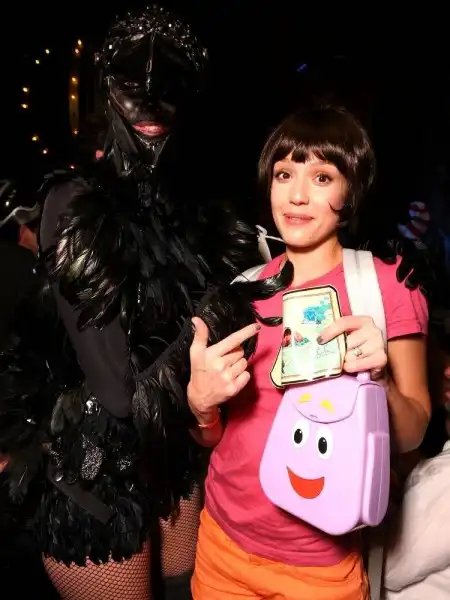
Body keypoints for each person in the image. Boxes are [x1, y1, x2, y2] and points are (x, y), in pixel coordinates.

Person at [0, 6, 263, 600]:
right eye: (130, 84)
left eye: (168, 87)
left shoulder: (193, 207)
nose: (150, 104)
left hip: (175, 456)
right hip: (96, 474)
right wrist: (222, 306)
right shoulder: (76, 204)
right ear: (106, 88)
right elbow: (118, 393)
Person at [184, 106, 431, 599]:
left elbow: (414, 432)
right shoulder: (242, 290)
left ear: (350, 191)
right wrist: (200, 405)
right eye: (284, 174)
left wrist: (379, 383)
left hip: (321, 565)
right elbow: (213, 438)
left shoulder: (384, 287)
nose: (297, 195)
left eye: (322, 177)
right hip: (222, 548)